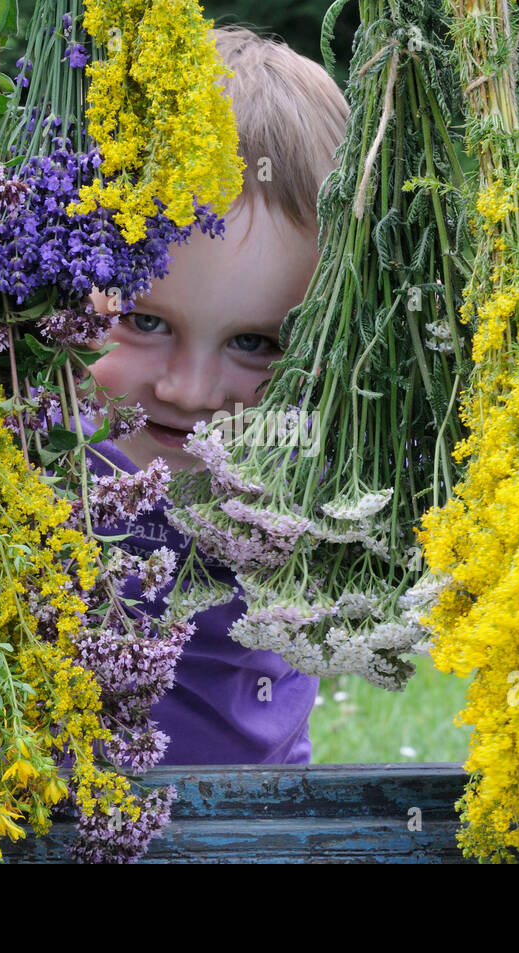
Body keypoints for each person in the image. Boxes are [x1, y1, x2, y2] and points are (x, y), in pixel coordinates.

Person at [81, 24, 348, 765]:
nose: (189, 392)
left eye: (255, 342)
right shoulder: (26, 470)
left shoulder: (328, 486)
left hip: (260, 833)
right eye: (143, 321)